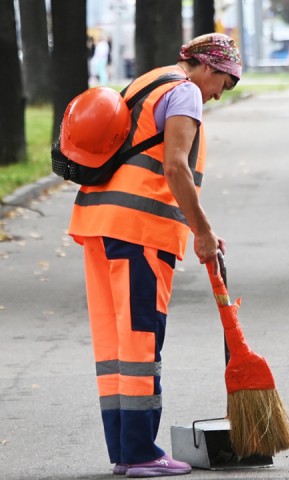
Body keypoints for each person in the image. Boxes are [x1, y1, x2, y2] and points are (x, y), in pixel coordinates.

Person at [65, 33, 242, 478]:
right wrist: (200, 230)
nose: (223, 92)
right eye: (226, 80)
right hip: (139, 233)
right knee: (142, 341)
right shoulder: (185, 94)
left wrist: (205, 226)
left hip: (98, 225)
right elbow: (175, 166)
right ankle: (142, 452)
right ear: (209, 66)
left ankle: (125, 451)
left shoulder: (149, 82)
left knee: (116, 347)